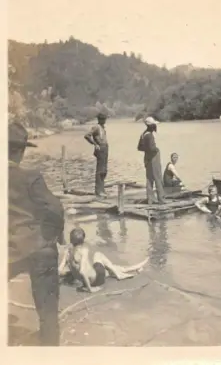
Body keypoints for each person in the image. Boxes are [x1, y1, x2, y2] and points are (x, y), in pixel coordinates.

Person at [8, 122, 66, 346]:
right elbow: (55, 209)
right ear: (21, 151)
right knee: (48, 311)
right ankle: (49, 351)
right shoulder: (31, 177)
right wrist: (52, 236)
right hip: (40, 247)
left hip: (9, 251)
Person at [58, 227, 149, 293]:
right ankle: (120, 274)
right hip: (96, 280)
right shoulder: (83, 250)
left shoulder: (67, 251)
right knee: (98, 255)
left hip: (89, 279)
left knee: (109, 270)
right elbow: (82, 271)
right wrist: (90, 289)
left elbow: (59, 270)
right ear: (83, 239)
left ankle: (131, 269)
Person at [137, 116, 166, 204]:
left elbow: (139, 147)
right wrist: (155, 150)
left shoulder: (143, 134)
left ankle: (151, 199)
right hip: (153, 158)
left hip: (147, 158)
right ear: (150, 126)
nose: (155, 126)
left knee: (149, 178)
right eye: (154, 125)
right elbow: (151, 148)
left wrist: (148, 149)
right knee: (158, 178)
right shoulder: (149, 135)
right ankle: (161, 199)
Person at [84, 112, 109, 197]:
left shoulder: (102, 128)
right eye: (103, 119)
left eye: (104, 119)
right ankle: (98, 191)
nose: (104, 121)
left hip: (105, 149)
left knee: (104, 170)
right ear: (100, 119)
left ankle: (102, 189)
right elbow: (87, 135)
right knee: (100, 170)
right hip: (100, 149)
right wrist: (95, 144)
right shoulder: (96, 127)